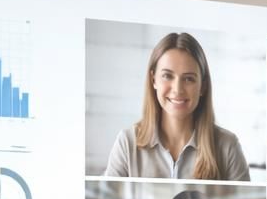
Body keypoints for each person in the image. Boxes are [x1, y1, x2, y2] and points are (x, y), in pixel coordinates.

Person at [105, 32, 251, 181]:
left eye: (189, 79)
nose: (177, 89)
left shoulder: (228, 147)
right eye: (167, 76)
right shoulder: (127, 143)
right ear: (153, 80)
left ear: (203, 86)